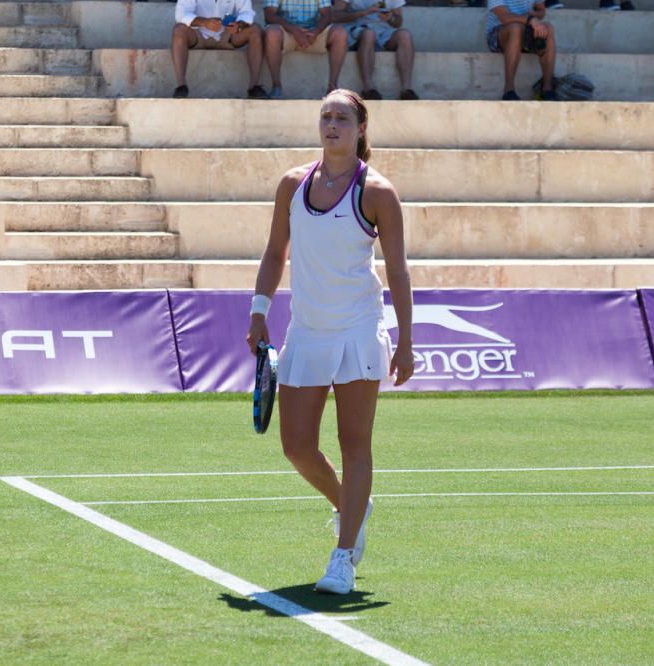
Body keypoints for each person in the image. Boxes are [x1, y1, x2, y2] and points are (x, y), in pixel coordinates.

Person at [246, 89, 413, 594]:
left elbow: (399, 271)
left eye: (342, 117)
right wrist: (258, 311)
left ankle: (343, 558)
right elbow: (276, 252)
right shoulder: (292, 184)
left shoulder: (378, 192)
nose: (332, 124)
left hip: (359, 329)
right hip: (307, 331)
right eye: (325, 116)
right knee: (296, 446)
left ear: (361, 128)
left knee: (353, 444)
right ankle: (351, 508)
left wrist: (406, 340)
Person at [172, 0, 268, 99]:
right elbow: (181, 14)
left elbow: (246, 12)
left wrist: (239, 25)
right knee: (179, 29)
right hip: (198, 34)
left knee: (255, 30)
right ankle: (181, 86)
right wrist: (204, 22)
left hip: (226, 35)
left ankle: (254, 87)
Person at [263, 0, 350, 99]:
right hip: (287, 33)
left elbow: (327, 15)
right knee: (272, 32)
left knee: (340, 33)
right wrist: (294, 30)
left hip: (312, 35)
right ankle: (276, 87)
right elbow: (269, 15)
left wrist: (316, 30)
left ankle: (332, 88)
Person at [333, 0, 418, 100]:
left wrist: (390, 18)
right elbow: (336, 15)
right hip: (357, 28)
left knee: (405, 35)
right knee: (369, 34)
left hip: (383, 29)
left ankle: (406, 90)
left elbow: (398, 21)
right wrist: (362, 13)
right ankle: (368, 89)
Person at [486, 0, 557, 101]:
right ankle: (509, 90)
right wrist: (530, 19)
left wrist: (533, 14)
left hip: (526, 29)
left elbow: (541, 11)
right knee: (516, 28)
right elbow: (505, 17)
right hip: (498, 34)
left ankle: (547, 89)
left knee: (548, 28)